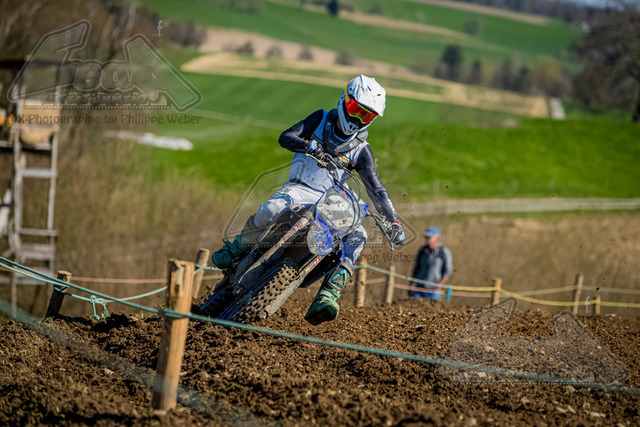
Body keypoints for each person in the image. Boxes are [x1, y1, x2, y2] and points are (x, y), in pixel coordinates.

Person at [211, 75, 405, 325]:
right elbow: (286, 137)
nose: (358, 119)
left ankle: (329, 294)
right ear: (345, 100)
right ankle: (237, 247)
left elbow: (376, 189)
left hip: (331, 201)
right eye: (357, 110)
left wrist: (394, 221)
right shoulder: (320, 119)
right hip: (299, 189)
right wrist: (308, 147)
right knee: (271, 208)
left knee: (359, 236)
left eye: (366, 116)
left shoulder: (362, 149)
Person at [409, 226, 452, 299]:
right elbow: (416, 269)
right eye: (426, 237)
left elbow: (447, 271)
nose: (427, 239)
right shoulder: (422, 251)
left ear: (437, 238)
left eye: (429, 237)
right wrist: (410, 285)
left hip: (433, 291)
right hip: (419, 289)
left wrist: (439, 286)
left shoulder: (443, 252)